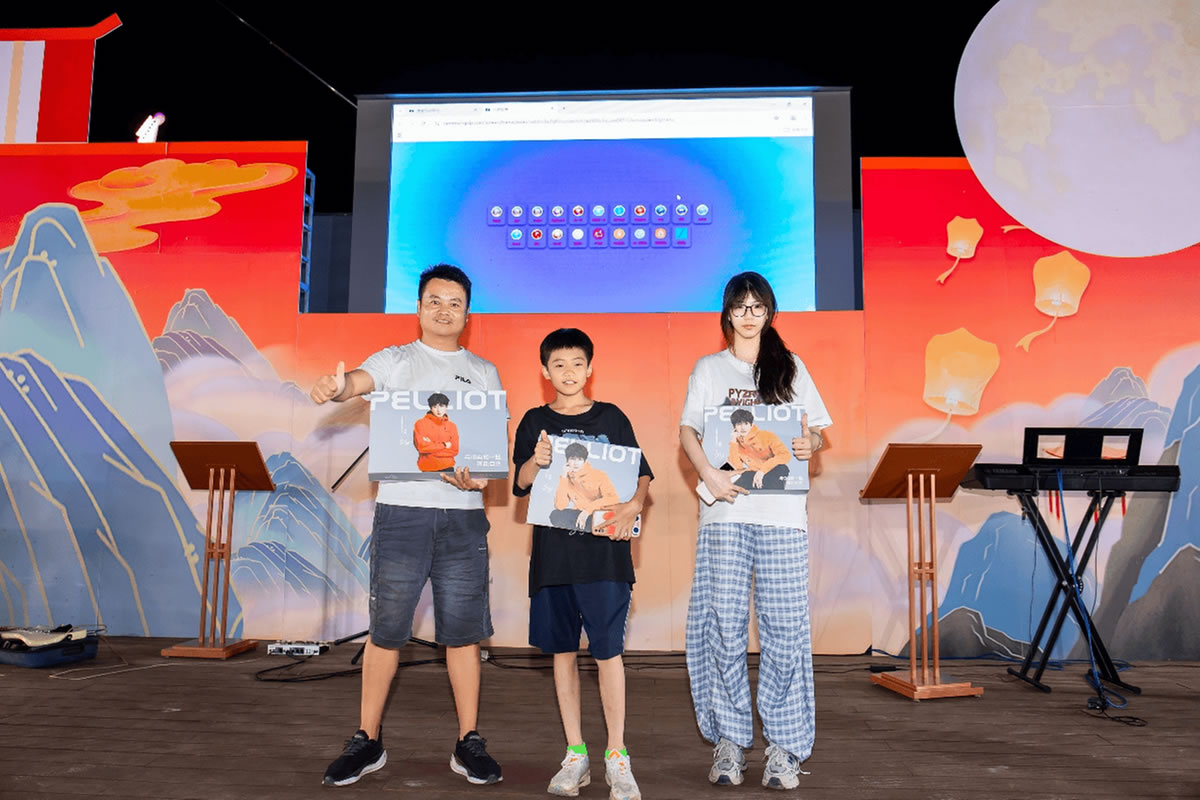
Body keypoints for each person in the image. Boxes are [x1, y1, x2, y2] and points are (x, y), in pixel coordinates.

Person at [311, 264, 504, 788]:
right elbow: (356, 382)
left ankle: (468, 741)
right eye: (434, 300)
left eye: (455, 303)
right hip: (401, 514)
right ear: (418, 307)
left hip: (463, 518)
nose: (444, 310)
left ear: (468, 313)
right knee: (387, 631)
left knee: (463, 635)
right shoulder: (394, 360)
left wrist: (479, 478)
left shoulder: (483, 372)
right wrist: (337, 386)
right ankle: (367, 739)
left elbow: (490, 453)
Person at [679, 272, 831, 791]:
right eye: (739, 306)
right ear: (727, 313)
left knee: (785, 629)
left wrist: (810, 444)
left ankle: (784, 747)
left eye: (757, 306)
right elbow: (688, 430)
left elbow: (815, 432)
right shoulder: (709, 368)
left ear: (769, 312)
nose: (748, 315)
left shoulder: (791, 367)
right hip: (725, 514)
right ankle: (729, 740)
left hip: (783, 517)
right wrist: (709, 474)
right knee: (722, 626)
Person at [512, 328, 652, 800]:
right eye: (558, 364)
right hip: (553, 560)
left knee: (608, 653)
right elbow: (521, 483)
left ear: (590, 369)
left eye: (577, 363)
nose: (568, 372)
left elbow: (641, 474)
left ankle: (617, 755)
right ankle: (576, 753)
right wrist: (536, 460)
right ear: (545, 371)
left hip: (605, 559)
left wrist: (635, 504)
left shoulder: (612, 417)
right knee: (563, 653)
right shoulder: (535, 422)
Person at [550, 441, 620, 531]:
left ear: (585, 461)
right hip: (579, 513)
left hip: (597, 513)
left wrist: (587, 511)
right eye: (572, 459)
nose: (575, 463)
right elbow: (560, 506)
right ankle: (583, 528)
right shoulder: (567, 479)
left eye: (579, 459)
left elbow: (613, 499)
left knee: (600, 519)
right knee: (555, 515)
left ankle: (585, 528)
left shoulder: (599, 475)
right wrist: (563, 477)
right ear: (567, 461)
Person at [726, 408, 791, 490]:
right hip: (753, 475)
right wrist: (733, 442)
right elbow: (737, 467)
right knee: (738, 481)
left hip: (772, 472)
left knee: (782, 468)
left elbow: (785, 455)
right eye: (739, 424)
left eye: (746, 423)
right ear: (734, 427)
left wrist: (762, 471)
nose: (743, 427)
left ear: (751, 425)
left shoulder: (766, 435)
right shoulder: (736, 444)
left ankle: (773, 495)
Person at [413, 392, 459, 472]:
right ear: (430, 408)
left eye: (441, 406)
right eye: (435, 407)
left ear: (446, 407)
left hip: (448, 468)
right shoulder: (420, 423)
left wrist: (431, 449)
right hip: (427, 468)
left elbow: (454, 450)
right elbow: (422, 447)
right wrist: (444, 445)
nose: (438, 410)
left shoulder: (452, 426)